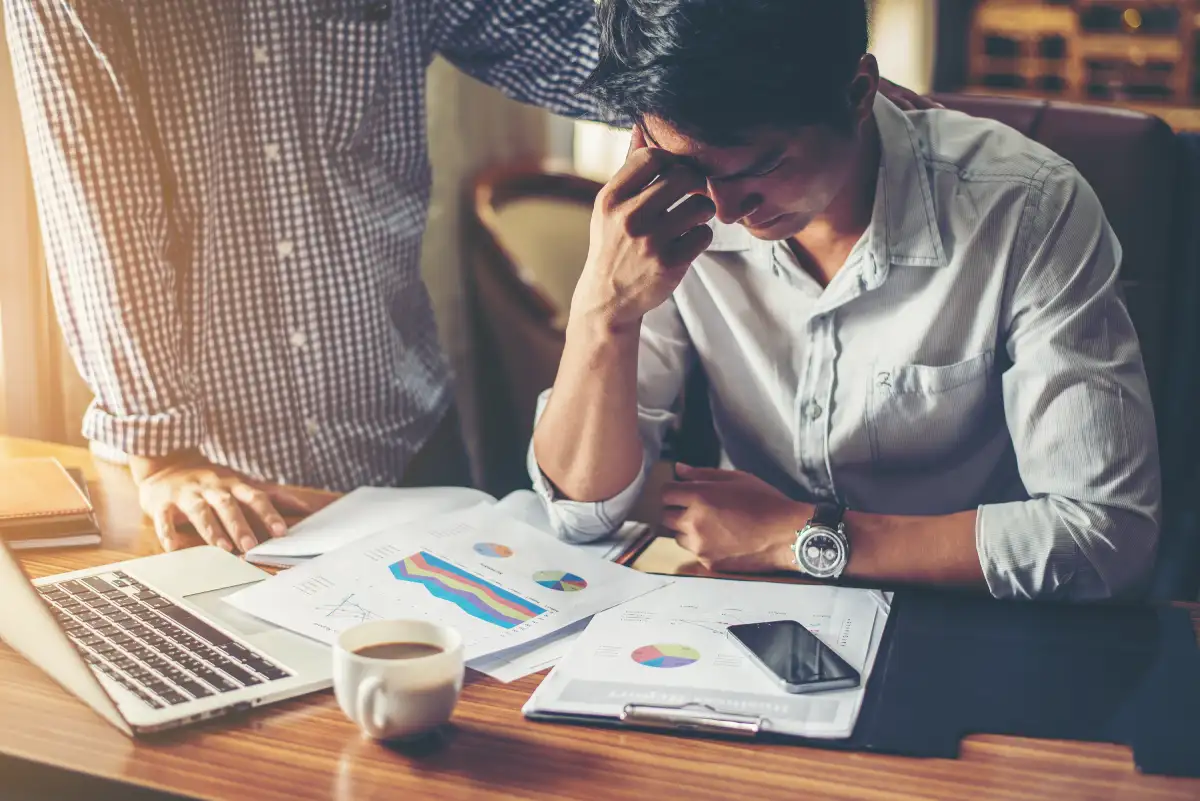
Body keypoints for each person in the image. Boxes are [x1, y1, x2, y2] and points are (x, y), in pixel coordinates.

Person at [6, 0, 932, 557]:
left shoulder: (1004, 198)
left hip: (407, 417)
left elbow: (557, 40)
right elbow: (97, 190)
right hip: (211, 468)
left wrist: (779, 91)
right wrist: (161, 444)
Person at [530, 0, 1161, 600]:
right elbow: (584, 513)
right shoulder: (669, 213)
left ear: (858, 94)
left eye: (764, 164)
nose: (723, 209)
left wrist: (799, 535)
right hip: (742, 613)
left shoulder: (1026, 205)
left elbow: (1105, 539)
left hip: (972, 618)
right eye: (690, 166)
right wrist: (601, 312)